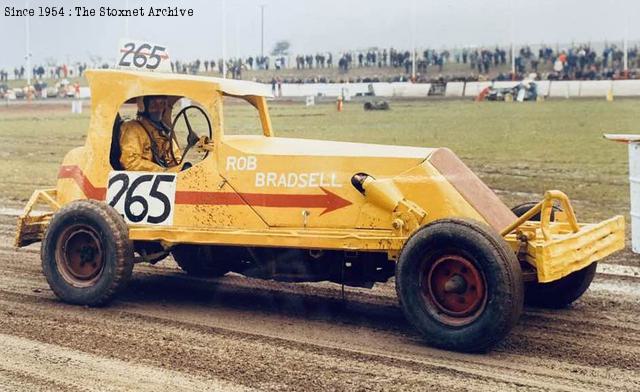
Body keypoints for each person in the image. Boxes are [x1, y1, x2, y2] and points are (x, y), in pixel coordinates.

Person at [119, 95, 183, 172]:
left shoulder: (162, 131)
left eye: (162, 103)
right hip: (141, 178)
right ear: (143, 106)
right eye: (153, 104)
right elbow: (130, 162)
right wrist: (162, 171)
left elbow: (174, 157)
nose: (158, 108)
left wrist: (180, 169)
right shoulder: (133, 129)